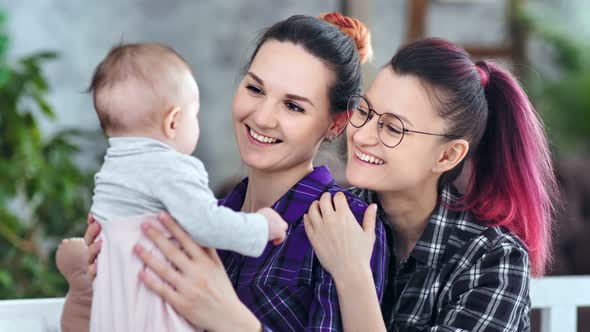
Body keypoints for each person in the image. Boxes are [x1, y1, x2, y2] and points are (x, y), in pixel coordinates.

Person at [63, 13, 389, 332]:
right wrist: (105, 283)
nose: (262, 117)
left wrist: (233, 322)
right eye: (255, 89)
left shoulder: (347, 231)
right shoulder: (197, 217)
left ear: (336, 124)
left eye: (294, 106)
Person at [304, 38, 558, 331]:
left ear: (448, 155)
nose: (361, 136)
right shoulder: (331, 218)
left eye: (393, 127)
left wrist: (353, 274)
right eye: (365, 112)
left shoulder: (492, 259)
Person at [57, 42, 288, 332]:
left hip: (113, 308)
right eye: (194, 115)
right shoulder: (173, 167)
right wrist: (262, 226)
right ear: (174, 121)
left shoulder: (112, 170)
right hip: (153, 307)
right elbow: (207, 224)